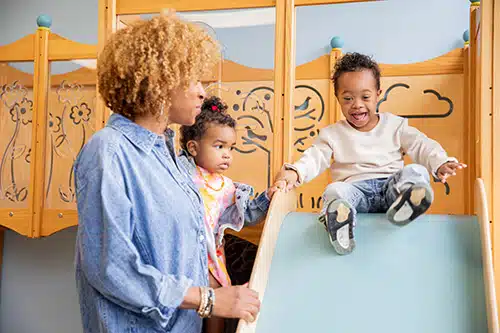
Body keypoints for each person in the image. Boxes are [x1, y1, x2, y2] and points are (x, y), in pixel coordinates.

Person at [74, 14, 260, 333]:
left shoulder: (170, 156)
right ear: (159, 82)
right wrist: (209, 300)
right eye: (194, 80)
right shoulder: (109, 151)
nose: (203, 93)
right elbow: (111, 268)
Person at [274, 52, 466, 255]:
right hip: (356, 192)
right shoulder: (332, 135)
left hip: (391, 188)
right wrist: (294, 172)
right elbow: (315, 157)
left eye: (365, 97)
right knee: (334, 190)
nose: (357, 104)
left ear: (378, 94)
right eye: (348, 98)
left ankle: (409, 202)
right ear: (337, 97)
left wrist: (441, 162)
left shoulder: (395, 125)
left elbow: (421, 145)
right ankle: (340, 222)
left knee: (416, 171)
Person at [178, 96, 278, 333]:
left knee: (218, 294)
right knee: (188, 304)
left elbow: (249, 215)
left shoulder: (227, 187)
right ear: (193, 148)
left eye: (231, 148)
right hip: (188, 251)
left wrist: (268, 197)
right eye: (219, 146)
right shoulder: (182, 174)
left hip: (213, 255)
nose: (227, 155)